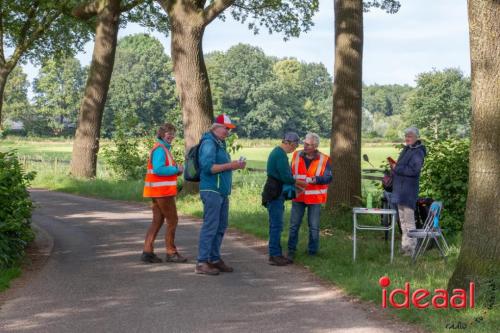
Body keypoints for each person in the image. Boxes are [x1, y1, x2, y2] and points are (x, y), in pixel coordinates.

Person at [195, 114, 246, 275]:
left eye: (229, 129)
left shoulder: (219, 143)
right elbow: (208, 168)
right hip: (211, 190)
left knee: (221, 226)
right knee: (211, 226)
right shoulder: (209, 143)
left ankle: (214, 259)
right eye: (226, 128)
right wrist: (232, 165)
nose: (228, 132)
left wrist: (235, 165)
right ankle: (202, 262)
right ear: (216, 127)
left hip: (221, 192)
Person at [141, 123, 187, 264]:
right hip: (162, 193)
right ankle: (171, 252)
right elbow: (159, 169)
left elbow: (162, 170)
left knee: (158, 221)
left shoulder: (163, 148)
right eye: (168, 133)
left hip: (157, 191)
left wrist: (176, 171)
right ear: (161, 133)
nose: (171, 135)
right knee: (172, 220)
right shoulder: (161, 149)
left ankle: (147, 252)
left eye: (173, 133)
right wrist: (176, 169)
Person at [262, 132, 307, 266]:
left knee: (275, 224)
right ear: (290, 143)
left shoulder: (277, 152)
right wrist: (300, 183)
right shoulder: (280, 155)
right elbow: (286, 177)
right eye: (295, 146)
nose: (295, 149)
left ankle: (276, 253)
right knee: (277, 225)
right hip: (275, 193)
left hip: (273, 191)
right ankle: (275, 255)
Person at [287, 133, 332, 262]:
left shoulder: (325, 159)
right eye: (304, 143)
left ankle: (312, 252)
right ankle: (291, 250)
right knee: (294, 225)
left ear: (315, 146)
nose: (305, 146)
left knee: (314, 226)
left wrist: (316, 179)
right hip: (298, 196)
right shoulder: (296, 155)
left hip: (315, 198)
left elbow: (329, 177)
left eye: (308, 144)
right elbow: (291, 173)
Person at [389, 126, 426, 256]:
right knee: (402, 221)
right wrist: (394, 167)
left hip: (408, 191)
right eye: (406, 136)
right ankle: (405, 247)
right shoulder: (407, 149)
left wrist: (396, 168)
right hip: (399, 191)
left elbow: (414, 171)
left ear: (416, 137)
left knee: (409, 221)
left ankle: (412, 249)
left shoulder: (419, 152)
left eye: (410, 136)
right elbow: (401, 167)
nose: (407, 138)